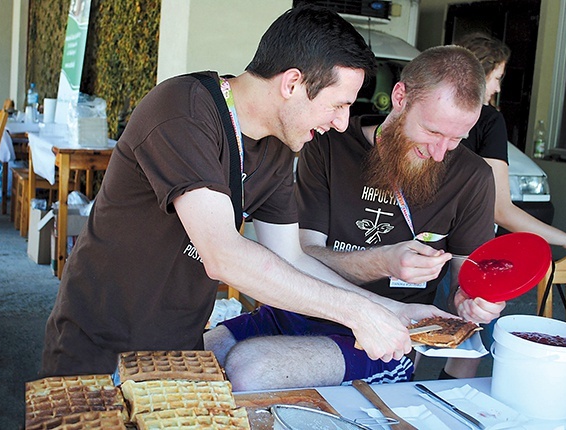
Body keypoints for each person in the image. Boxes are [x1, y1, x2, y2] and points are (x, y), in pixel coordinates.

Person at [41, 5, 437, 378]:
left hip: (179, 352)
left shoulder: (279, 146)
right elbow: (223, 256)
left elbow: (291, 257)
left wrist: (392, 310)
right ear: (293, 83)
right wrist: (356, 314)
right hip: (98, 348)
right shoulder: (184, 110)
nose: (341, 123)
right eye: (338, 105)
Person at [205, 46, 505, 390]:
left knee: (251, 369)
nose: (440, 153)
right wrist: (382, 261)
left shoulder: (474, 177)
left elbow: (465, 287)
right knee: (203, 353)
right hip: (300, 305)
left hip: (386, 340)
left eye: (456, 139)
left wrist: (471, 304)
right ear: (400, 96)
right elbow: (301, 253)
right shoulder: (329, 143)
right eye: (433, 132)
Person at [457, 33, 566, 253]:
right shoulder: (489, 120)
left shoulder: (428, 111)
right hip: (461, 247)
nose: (498, 89)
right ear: (479, 76)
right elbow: (500, 210)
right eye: (497, 78)